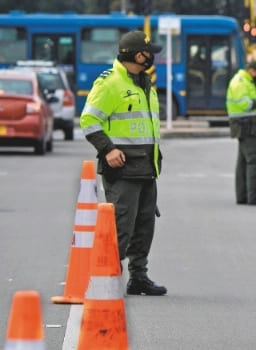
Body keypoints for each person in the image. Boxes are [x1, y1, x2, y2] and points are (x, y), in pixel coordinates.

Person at [80, 30, 167, 295]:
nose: (152, 56)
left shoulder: (144, 82)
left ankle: (138, 277)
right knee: (121, 227)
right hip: (123, 169)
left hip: (147, 167)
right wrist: (107, 149)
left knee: (144, 227)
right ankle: (105, 278)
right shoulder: (110, 82)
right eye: (149, 52)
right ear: (138, 54)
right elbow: (89, 120)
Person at [225, 61, 256, 205]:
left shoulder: (246, 81)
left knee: (243, 162)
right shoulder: (241, 82)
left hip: (246, 125)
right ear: (251, 70)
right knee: (254, 160)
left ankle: (243, 196)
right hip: (245, 126)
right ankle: (253, 197)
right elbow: (246, 105)